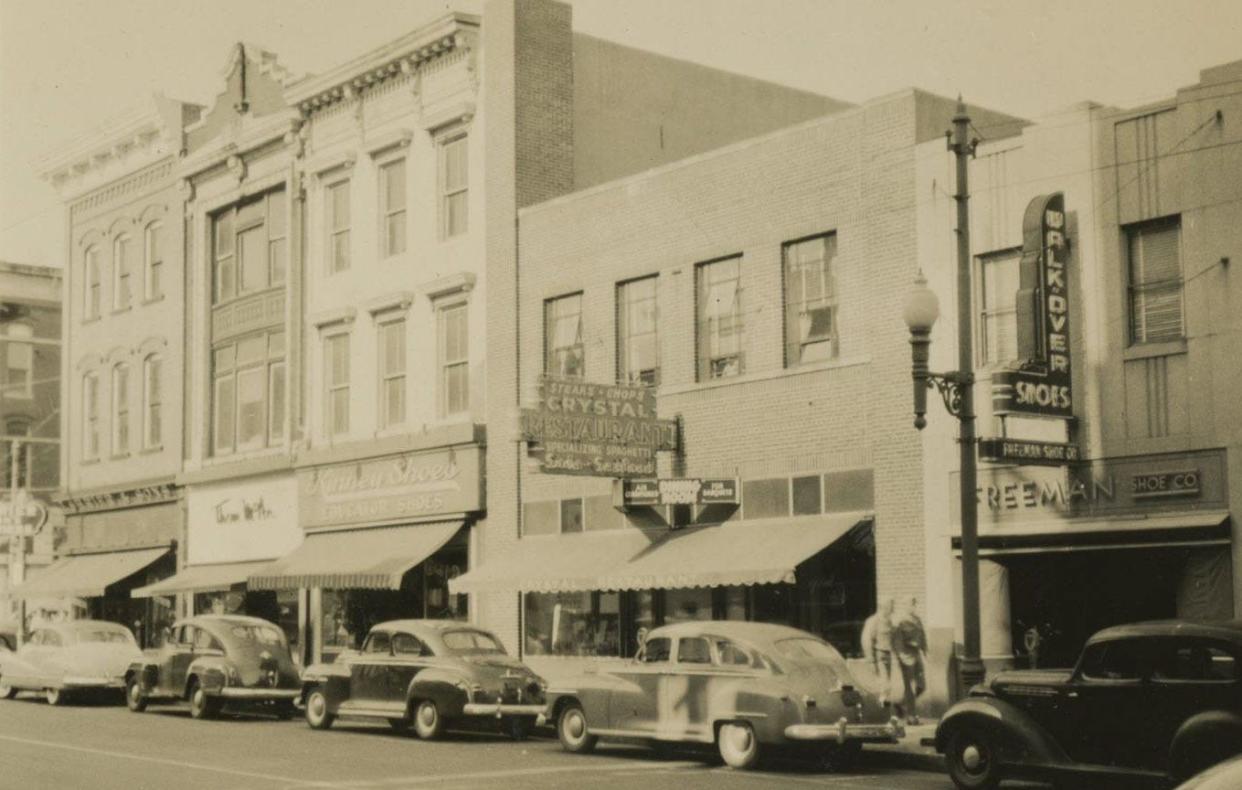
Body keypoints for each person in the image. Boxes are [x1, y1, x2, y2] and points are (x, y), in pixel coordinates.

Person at [891, 597, 928, 725]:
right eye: (910, 604)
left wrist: (925, 651)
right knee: (910, 688)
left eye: (914, 604)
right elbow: (896, 641)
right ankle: (911, 717)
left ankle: (900, 704)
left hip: (916, 655)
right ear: (905, 606)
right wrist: (900, 656)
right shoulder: (900, 621)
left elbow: (922, 635)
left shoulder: (917, 619)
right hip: (906, 657)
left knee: (921, 686)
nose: (912, 606)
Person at [860, 598, 895, 695]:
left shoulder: (889, 621)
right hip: (878, 656)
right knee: (884, 685)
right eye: (890, 607)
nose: (892, 609)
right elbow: (866, 640)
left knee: (886, 686)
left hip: (888, 656)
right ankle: (882, 706)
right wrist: (871, 660)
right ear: (883, 607)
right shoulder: (873, 621)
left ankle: (885, 706)